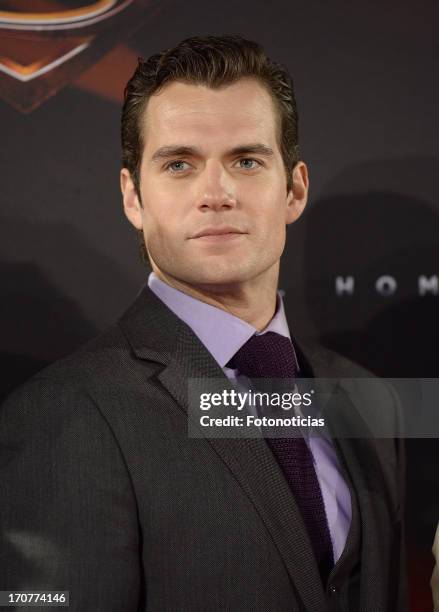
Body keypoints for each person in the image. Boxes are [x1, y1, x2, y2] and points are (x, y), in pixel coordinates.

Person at [0, 35, 407, 611]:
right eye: (179, 164)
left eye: (246, 160)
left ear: (293, 189)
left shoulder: (372, 402)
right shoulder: (65, 416)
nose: (216, 194)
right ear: (133, 197)